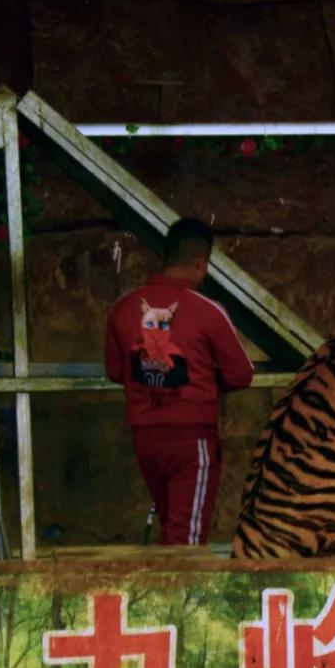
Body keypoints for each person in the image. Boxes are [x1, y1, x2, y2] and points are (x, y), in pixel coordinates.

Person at [105, 217, 254, 545]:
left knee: (172, 525)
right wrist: (204, 376)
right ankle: (178, 590)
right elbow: (242, 373)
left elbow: (116, 371)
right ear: (201, 264)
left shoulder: (123, 308)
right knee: (186, 539)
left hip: (145, 439)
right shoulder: (208, 311)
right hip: (192, 440)